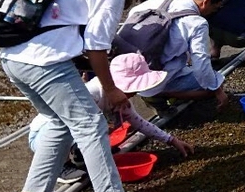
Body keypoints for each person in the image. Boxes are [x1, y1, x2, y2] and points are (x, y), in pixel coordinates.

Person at [0, 0, 171, 192]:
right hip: (45, 61)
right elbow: (96, 44)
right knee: (90, 124)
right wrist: (112, 87)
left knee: (57, 121)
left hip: (13, 58)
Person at [29, 52, 195, 184]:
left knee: (103, 130)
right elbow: (72, 126)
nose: (134, 94)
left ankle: (81, 157)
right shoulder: (91, 94)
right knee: (90, 130)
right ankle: (61, 166)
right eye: (133, 90)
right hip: (46, 137)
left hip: (79, 135)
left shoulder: (119, 101)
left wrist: (171, 140)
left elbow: (140, 123)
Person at [127, 0, 228, 108]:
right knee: (213, 83)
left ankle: (155, 92)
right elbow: (201, 64)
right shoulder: (197, 23)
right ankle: (161, 94)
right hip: (157, 78)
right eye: (215, 8)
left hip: (130, 70)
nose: (213, 12)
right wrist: (217, 90)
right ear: (206, 2)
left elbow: (132, 15)